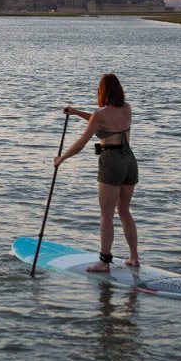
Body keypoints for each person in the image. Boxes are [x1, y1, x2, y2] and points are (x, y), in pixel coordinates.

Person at [54, 73, 139, 272]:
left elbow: (81, 143)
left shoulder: (100, 114)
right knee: (124, 211)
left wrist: (62, 158)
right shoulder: (127, 108)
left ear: (102, 91)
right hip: (129, 161)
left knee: (106, 215)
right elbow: (100, 120)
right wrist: (75, 112)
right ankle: (134, 257)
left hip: (111, 162)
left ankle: (104, 262)